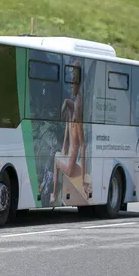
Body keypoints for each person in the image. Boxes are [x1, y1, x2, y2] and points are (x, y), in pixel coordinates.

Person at [50, 61, 90, 205]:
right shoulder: (77, 101)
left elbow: (83, 144)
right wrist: (66, 104)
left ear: (78, 83)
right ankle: (64, 150)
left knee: (55, 157)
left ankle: (54, 194)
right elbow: (69, 105)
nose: (71, 85)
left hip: (71, 165)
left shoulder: (78, 107)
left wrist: (84, 180)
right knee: (68, 110)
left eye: (73, 82)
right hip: (69, 157)